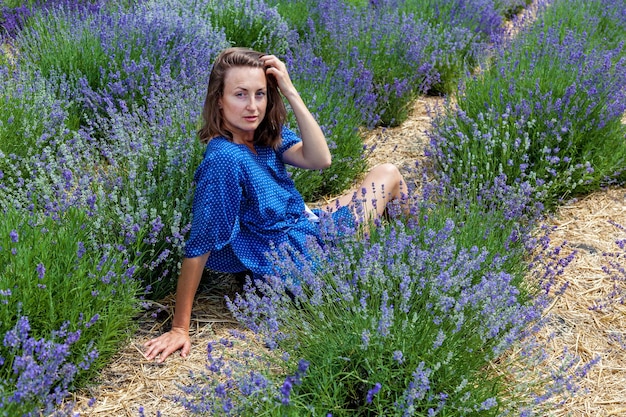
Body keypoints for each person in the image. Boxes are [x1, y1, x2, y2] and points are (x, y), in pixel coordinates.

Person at [144, 47, 409, 362]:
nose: (253, 106)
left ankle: (410, 245)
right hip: (300, 258)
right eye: (240, 95)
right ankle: (414, 244)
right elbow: (199, 243)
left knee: (380, 179)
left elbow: (320, 159)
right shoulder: (224, 158)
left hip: (306, 226)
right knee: (388, 174)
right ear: (219, 100)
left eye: (261, 94)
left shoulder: (260, 137)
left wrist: (290, 91)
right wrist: (180, 328)